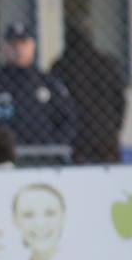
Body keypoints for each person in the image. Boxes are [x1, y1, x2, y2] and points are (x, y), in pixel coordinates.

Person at [0, 24, 75, 159]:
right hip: (1, 160)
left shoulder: (50, 84)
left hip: (45, 158)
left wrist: (52, 147)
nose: (19, 49)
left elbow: (68, 120)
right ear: (4, 47)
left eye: (24, 43)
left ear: (33, 46)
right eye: (13, 44)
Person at [50, 22, 127, 164]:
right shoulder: (107, 63)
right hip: (105, 133)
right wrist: (115, 127)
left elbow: (55, 104)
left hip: (75, 137)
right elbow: (120, 101)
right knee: (110, 175)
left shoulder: (61, 66)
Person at [11, 183, 65, 260]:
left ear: (63, 217)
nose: (40, 224)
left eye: (50, 213)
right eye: (28, 215)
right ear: (15, 220)